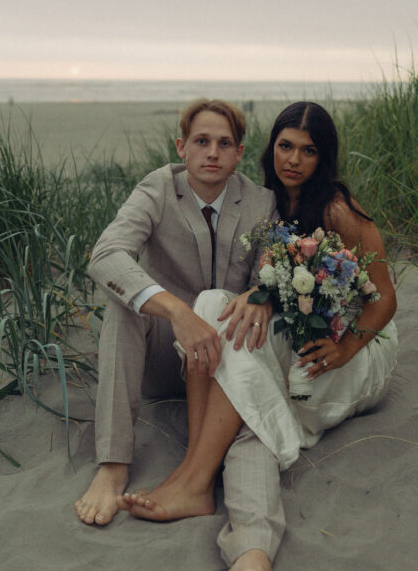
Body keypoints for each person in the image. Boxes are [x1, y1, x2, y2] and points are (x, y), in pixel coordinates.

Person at [121, 102, 398, 571]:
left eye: (309, 150)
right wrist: (259, 294)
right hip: (301, 335)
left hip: (347, 353)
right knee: (209, 308)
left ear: (324, 156)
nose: (294, 159)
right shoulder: (270, 203)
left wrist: (347, 347)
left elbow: (384, 298)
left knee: (250, 405)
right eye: (286, 146)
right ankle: (251, 558)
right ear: (272, 149)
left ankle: (194, 480)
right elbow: (272, 278)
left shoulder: (336, 208)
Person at [74, 98, 277, 544]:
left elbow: (270, 276)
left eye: (225, 143)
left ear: (239, 152)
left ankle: (202, 480)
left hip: (222, 363)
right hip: (162, 357)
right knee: (121, 306)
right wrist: (176, 310)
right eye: (201, 141)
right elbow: (106, 256)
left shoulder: (261, 202)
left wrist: (254, 294)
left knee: (242, 309)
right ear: (181, 146)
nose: (212, 153)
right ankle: (112, 468)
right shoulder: (158, 188)